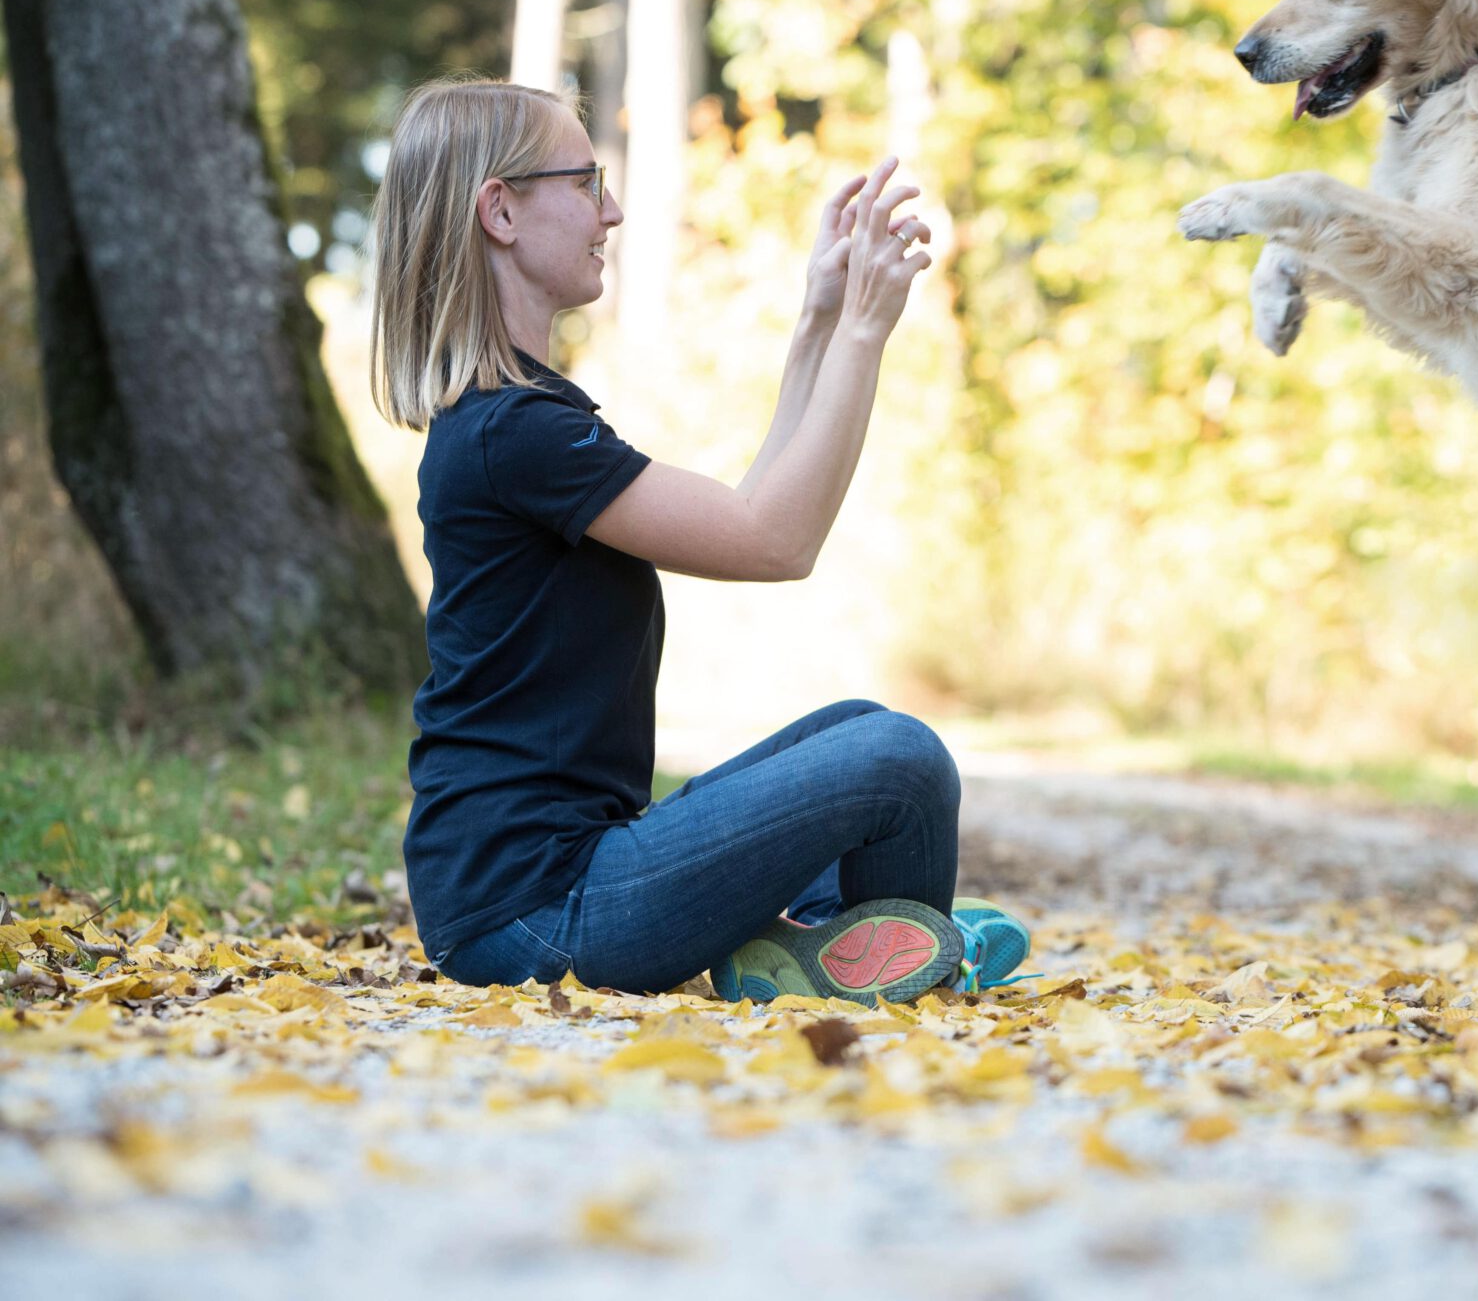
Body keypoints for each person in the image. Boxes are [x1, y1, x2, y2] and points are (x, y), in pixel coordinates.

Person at [367, 75, 1027, 1004]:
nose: (615, 209)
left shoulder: (516, 420)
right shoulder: (516, 433)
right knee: (903, 761)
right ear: (501, 210)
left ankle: (819, 946)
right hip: (538, 911)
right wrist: (869, 331)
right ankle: (885, 955)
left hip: (552, 882)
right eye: (588, 181)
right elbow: (777, 541)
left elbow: (754, 505)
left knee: (856, 732)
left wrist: (821, 318)